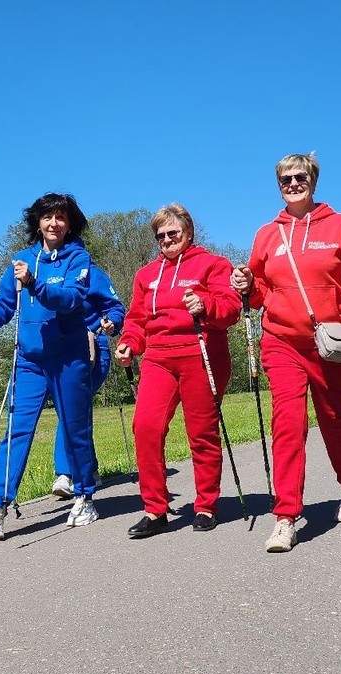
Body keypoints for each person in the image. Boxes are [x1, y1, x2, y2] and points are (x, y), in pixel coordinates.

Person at [231, 152, 341, 553]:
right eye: (285, 180)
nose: (293, 184)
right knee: (288, 424)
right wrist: (244, 284)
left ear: (313, 179)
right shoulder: (266, 234)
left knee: (334, 418)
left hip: (330, 341)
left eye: (300, 177)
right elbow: (257, 293)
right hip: (281, 341)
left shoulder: (340, 225)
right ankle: (286, 516)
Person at [0, 192, 96, 539]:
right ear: (38, 221)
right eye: (48, 217)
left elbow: (70, 300)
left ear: (69, 224)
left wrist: (35, 285)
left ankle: (84, 496)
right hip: (30, 361)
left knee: (74, 429)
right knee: (17, 430)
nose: (54, 224)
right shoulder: (21, 260)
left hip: (68, 359)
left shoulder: (77, 257)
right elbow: (3, 306)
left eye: (61, 218)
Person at [115, 203, 240, 538]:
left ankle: (205, 505)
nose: (167, 240)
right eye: (161, 236)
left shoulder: (213, 264)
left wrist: (206, 304)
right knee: (146, 426)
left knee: (201, 432)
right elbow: (138, 320)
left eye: (173, 233)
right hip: (159, 357)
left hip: (202, 353)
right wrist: (129, 342)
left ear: (189, 232)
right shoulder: (145, 275)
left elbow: (231, 309)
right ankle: (155, 510)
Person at [51, 264, 126, 498]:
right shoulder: (46, 273)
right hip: (58, 350)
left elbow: (115, 307)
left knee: (70, 408)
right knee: (75, 409)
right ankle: (89, 469)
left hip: (91, 348)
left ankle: (66, 473)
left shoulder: (91, 272)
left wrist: (111, 323)